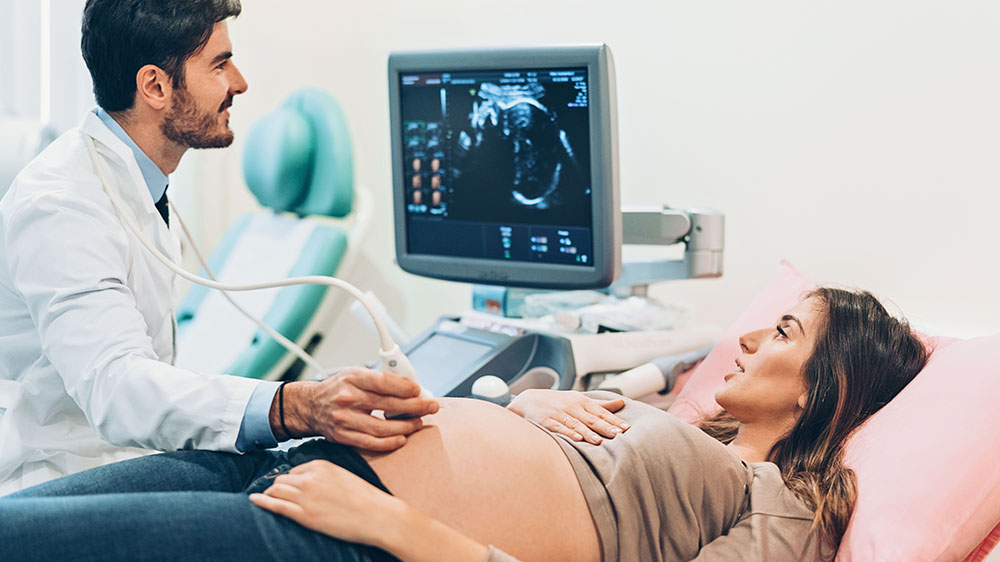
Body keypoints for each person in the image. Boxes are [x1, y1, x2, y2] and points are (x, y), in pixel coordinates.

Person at [0, 288, 929, 561]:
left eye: (784, 332)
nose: (751, 337)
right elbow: (532, 438)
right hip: (314, 462)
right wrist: (530, 402)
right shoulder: (690, 437)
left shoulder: (796, 505)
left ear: (822, 393)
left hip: (352, 533)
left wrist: (397, 528)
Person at [0, 0, 436, 495]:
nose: (240, 82)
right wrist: (294, 406)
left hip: (123, 459)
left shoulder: (139, 185)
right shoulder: (61, 208)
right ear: (156, 86)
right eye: (220, 63)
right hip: (55, 483)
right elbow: (118, 390)